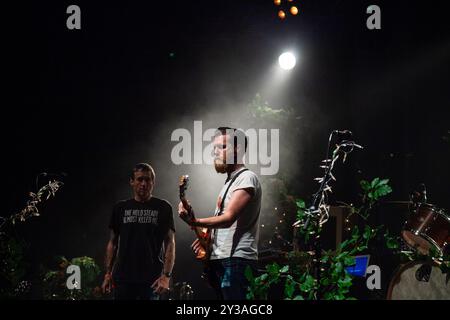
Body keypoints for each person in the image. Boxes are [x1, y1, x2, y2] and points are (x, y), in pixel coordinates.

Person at [179, 127, 262, 300]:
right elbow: (223, 226)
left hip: (237, 260)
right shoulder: (230, 182)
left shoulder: (247, 178)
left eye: (222, 147)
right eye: (214, 148)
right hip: (224, 259)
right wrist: (207, 239)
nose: (215, 152)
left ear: (237, 149)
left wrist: (194, 222)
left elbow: (227, 219)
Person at [102, 163, 175, 300]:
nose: (143, 184)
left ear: (153, 182)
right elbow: (112, 242)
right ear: (131, 182)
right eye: (139, 179)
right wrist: (108, 273)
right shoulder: (120, 208)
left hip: (152, 280)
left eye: (147, 180)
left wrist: (166, 276)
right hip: (123, 278)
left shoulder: (163, 207)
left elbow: (170, 243)